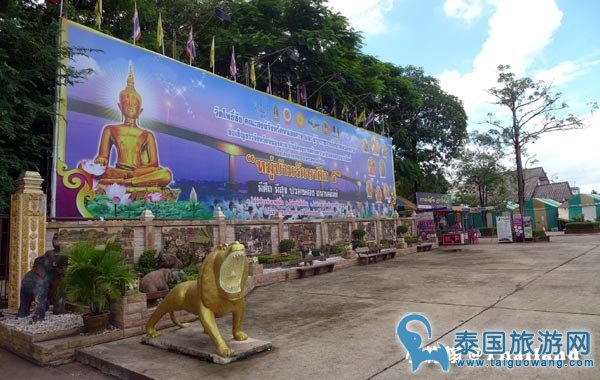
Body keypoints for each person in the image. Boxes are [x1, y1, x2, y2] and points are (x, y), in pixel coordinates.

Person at [94, 64, 172, 188]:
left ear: (140, 110)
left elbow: (154, 163)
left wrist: (136, 172)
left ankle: (127, 183)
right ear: (120, 106)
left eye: (134, 105)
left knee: (166, 174)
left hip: (137, 172)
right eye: (126, 103)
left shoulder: (147, 134)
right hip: (119, 171)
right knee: (85, 166)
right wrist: (101, 159)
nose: (130, 106)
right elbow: (103, 157)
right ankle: (127, 180)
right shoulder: (110, 129)